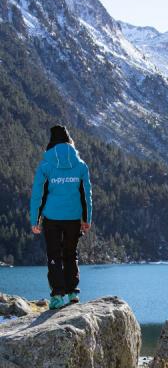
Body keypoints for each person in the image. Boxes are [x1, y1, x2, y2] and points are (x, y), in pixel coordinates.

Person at [30, 125, 92, 310]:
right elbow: (85, 194)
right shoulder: (81, 165)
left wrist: (35, 220)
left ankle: (57, 296)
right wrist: (86, 219)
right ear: (69, 141)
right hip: (73, 217)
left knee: (54, 256)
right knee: (70, 254)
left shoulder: (46, 165)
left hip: (52, 218)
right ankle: (73, 292)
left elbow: (37, 194)